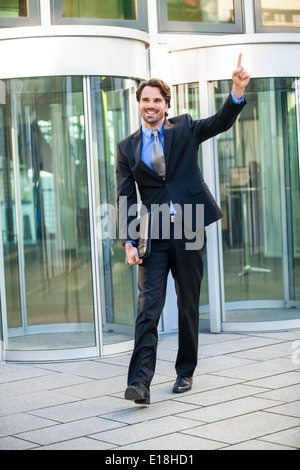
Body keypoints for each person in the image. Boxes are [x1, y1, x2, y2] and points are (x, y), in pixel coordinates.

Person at [116, 53, 250, 405]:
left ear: (166, 104)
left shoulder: (186, 127)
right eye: (145, 99)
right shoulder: (126, 148)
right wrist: (130, 241)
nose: (150, 105)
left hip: (190, 225)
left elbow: (219, 122)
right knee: (149, 307)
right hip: (155, 233)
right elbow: (126, 196)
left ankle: (184, 372)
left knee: (188, 302)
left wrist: (236, 92)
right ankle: (139, 383)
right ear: (139, 105)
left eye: (156, 100)